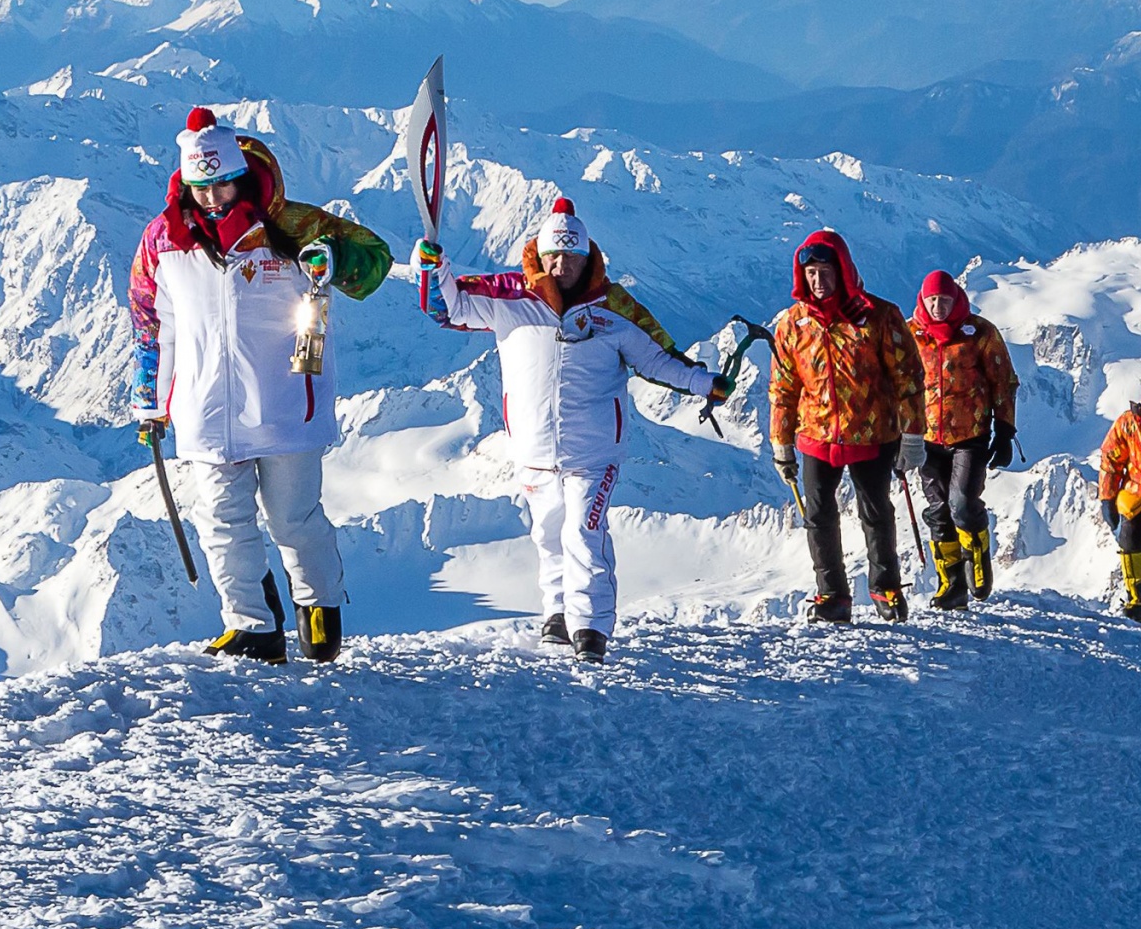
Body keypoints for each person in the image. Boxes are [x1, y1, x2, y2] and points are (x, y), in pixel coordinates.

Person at [412, 197, 731, 663]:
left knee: (584, 530)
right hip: (534, 447)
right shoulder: (509, 297)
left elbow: (658, 358)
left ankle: (591, 628)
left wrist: (706, 383)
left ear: (587, 256)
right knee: (548, 531)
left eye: (572, 256)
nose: (562, 266)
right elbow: (448, 306)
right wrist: (430, 268)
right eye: (553, 256)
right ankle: (558, 614)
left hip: (595, 449)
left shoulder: (614, 308)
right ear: (540, 255)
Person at [129, 107, 391, 662]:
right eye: (202, 187)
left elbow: (372, 262)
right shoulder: (162, 242)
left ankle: (318, 610)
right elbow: (150, 322)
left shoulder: (288, 226)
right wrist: (150, 402)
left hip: (285, 401)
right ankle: (252, 625)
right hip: (204, 409)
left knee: (294, 520)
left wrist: (334, 256)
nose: (213, 197)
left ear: (240, 176)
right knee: (222, 523)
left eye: (222, 184)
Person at [769, 229, 925, 625]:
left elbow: (908, 378)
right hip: (816, 434)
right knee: (819, 515)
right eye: (811, 273)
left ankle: (885, 588)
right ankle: (832, 595)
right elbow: (783, 386)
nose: (818, 282)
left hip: (873, 434)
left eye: (825, 271)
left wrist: (913, 435)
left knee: (875, 512)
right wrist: (781, 442)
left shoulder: (879, 316)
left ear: (843, 270)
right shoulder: (792, 325)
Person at [907, 269, 1019, 608]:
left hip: (970, 435)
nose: (938, 306)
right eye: (932, 300)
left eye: (944, 299)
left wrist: (1005, 430)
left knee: (962, 503)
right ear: (923, 301)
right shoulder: (911, 335)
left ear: (955, 298)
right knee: (939, 509)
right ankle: (951, 585)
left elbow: (1003, 380)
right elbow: (899, 385)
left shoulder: (979, 332)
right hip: (926, 437)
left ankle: (978, 554)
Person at [1099, 397, 1141, 622]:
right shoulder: (1128, 423)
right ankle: (1137, 597)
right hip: (1137, 490)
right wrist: (1107, 497)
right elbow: (1111, 461)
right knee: (1130, 532)